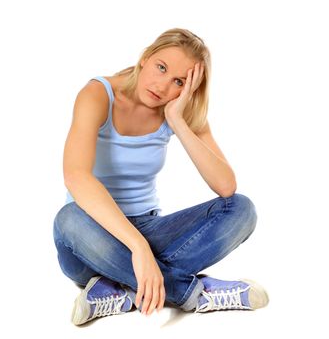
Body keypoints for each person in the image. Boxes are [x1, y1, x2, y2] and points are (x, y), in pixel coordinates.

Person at [53, 28, 269, 326]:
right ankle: (193, 293)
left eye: (178, 81)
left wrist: (177, 121)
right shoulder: (98, 94)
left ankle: (120, 289)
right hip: (90, 234)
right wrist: (138, 248)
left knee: (242, 209)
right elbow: (75, 176)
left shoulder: (176, 110)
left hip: (149, 227)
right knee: (68, 218)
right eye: (161, 67)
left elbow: (225, 185)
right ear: (145, 59)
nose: (163, 85)